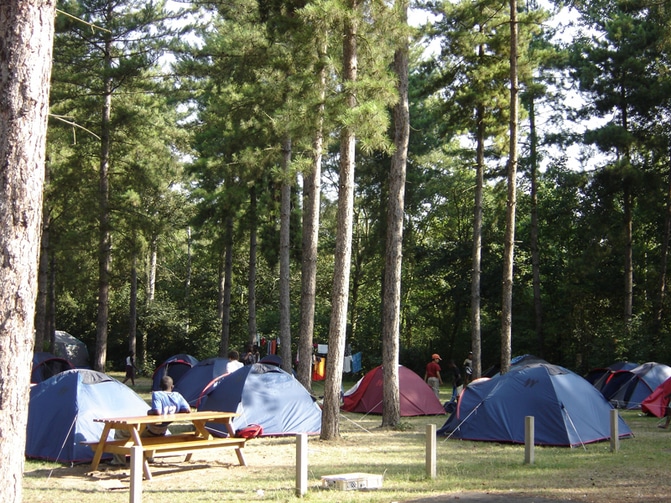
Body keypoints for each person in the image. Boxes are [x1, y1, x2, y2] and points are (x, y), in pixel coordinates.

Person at [111, 375, 191, 465]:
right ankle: (149, 457)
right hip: (163, 430)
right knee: (146, 434)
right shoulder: (177, 396)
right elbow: (187, 410)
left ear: (160, 386)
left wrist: (150, 412)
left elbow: (157, 411)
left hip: (152, 430)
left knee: (120, 432)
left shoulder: (157, 394)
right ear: (172, 386)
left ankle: (118, 461)